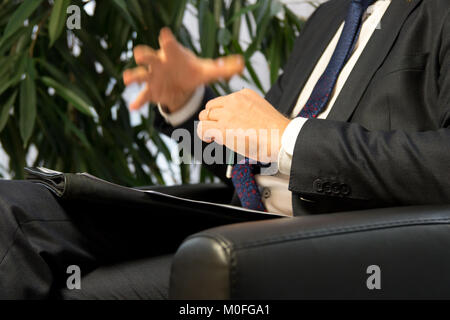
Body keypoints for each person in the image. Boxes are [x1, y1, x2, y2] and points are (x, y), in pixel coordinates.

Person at [0, 0, 449, 299]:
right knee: (12, 209)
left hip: (342, 243)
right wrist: (188, 107)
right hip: (239, 221)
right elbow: (261, 163)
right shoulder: (330, 17)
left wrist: (286, 135)